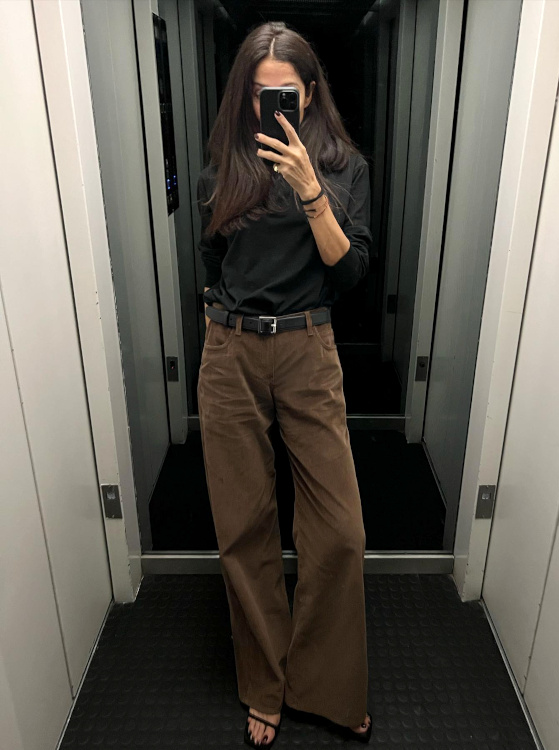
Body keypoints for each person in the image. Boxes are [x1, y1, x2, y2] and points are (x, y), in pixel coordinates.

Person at [196, 21, 373, 748]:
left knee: (340, 531)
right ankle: (266, 684)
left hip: (308, 348)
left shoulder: (342, 166)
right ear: (245, 97)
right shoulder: (222, 169)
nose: (272, 106)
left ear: (311, 93)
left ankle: (325, 684)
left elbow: (351, 270)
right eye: (260, 94)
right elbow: (212, 262)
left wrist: (309, 191)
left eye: (287, 94)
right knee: (244, 527)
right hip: (231, 352)